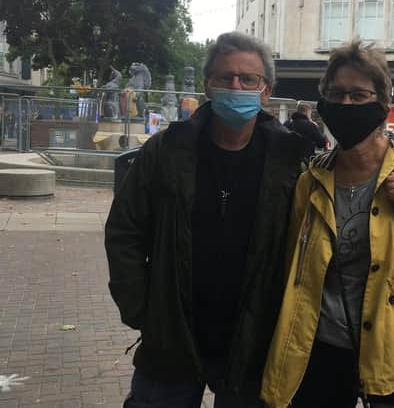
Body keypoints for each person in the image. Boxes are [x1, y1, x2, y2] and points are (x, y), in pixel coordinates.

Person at [260, 40, 394, 408]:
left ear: (383, 106)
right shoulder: (311, 181)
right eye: (337, 94)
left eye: (359, 95)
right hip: (321, 356)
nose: (346, 104)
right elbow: (293, 270)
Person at [105, 31, 310, 408]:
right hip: (172, 335)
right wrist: (140, 308)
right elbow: (125, 229)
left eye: (248, 79)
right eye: (224, 77)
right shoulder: (167, 151)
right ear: (208, 86)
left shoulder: (290, 162)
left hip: (253, 340)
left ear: (266, 90)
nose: (236, 86)